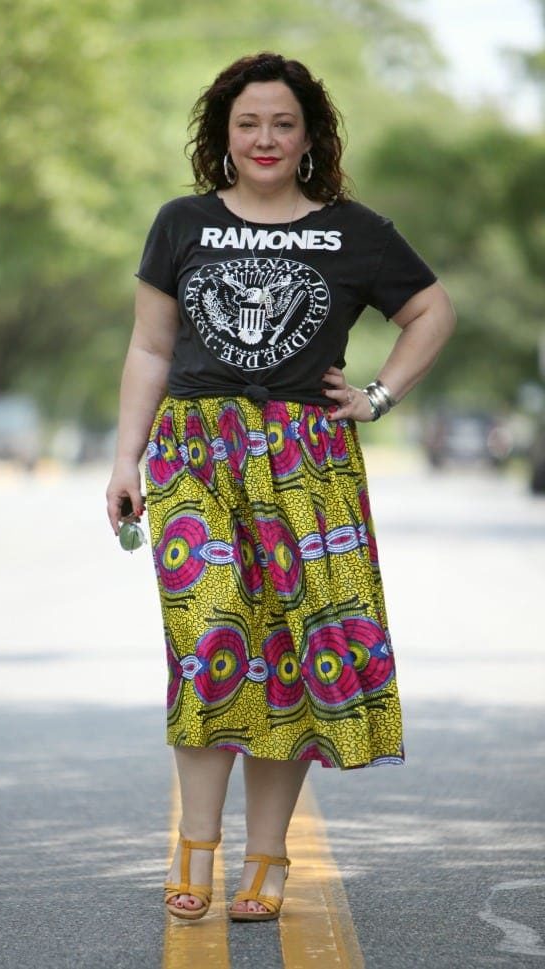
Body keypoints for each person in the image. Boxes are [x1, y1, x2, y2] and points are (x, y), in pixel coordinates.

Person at [105, 52, 455, 923]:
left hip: (307, 461)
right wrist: (125, 459)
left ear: (309, 138)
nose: (265, 138)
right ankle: (196, 843)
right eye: (248, 123)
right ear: (223, 135)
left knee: (292, 662)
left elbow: (431, 311)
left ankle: (267, 858)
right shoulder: (181, 223)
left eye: (283, 124)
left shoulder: (354, 231)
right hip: (196, 450)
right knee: (211, 632)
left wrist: (378, 395)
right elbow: (150, 347)